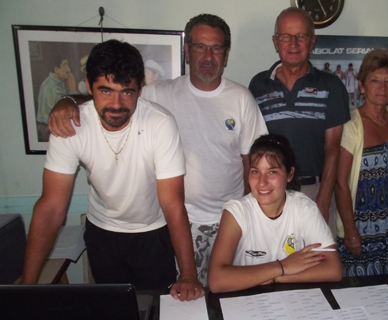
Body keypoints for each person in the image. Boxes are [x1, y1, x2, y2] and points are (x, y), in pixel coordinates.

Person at [47, 14, 268, 286]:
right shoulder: (158, 93)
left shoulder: (241, 98)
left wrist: (251, 213)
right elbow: (114, 98)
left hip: (229, 221)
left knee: (229, 296)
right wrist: (66, 101)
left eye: (217, 47)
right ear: (187, 51)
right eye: (199, 46)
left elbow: (253, 162)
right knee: (183, 301)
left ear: (226, 53)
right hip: (176, 224)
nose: (208, 55)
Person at [22, 40, 203, 300]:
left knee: (156, 308)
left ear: (139, 89)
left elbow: (173, 204)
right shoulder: (71, 126)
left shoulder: (159, 124)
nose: (116, 104)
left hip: (152, 235)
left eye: (127, 92)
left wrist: (188, 274)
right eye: (105, 91)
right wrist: (26, 288)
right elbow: (50, 209)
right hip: (102, 234)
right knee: (112, 309)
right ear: (88, 86)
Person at [248, 7, 350, 232]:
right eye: (285, 36)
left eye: (301, 36)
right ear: (276, 42)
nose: (293, 43)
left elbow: (333, 149)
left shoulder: (331, 86)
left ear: (312, 41)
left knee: (317, 264)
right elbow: (252, 147)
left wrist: (322, 202)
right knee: (273, 263)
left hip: (315, 191)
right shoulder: (258, 85)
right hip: (271, 192)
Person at [208, 134, 342, 293]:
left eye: (272, 172)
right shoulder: (236, 212)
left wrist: (276, 277)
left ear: (290, 174)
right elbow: (216, 281)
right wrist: (282, 266)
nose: (262, 182)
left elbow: (333, 269)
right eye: (255, 171)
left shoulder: (304, 208)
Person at [335, 48, 388, 277]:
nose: (382, 87)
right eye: (375, 80)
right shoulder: (352, 125)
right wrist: (350, 231)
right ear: (362, 86)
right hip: (361, 225)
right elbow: (341, 182)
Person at [37, 55, 78, 141]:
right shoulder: (51, 87)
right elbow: (64, 111)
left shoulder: (59, 82)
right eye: (65, 65)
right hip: (49, 130)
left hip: (54, 128)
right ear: (56, 69)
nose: (68, 69)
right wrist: (72, 90)